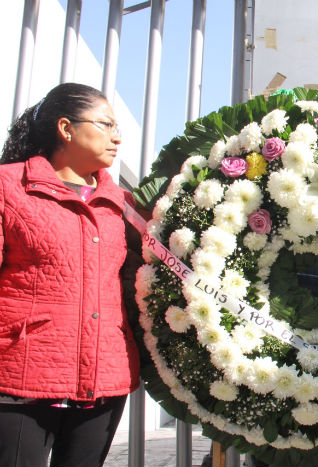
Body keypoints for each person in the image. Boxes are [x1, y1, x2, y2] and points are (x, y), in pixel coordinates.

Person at [0, 82, 140, 467]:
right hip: (21, 381)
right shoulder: (9, 186)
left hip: (104, 380)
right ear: (66, 128)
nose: (118, 137)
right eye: (106, 124)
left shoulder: (123, 206)